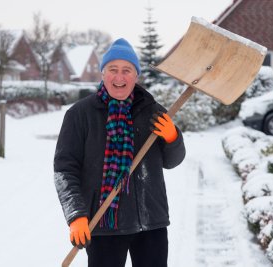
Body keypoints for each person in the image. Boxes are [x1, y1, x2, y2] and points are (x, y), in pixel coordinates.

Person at [54, 38, 185, 267]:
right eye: (113, 69)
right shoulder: (80, 115)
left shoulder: (153, 111)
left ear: (136, 76)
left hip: (151, 222)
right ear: (103, 74)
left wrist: (173, 138)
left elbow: (172, 161)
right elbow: (65, 170)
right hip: (103, 223)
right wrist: (76, 215)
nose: (119, 77)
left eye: (127, 70)